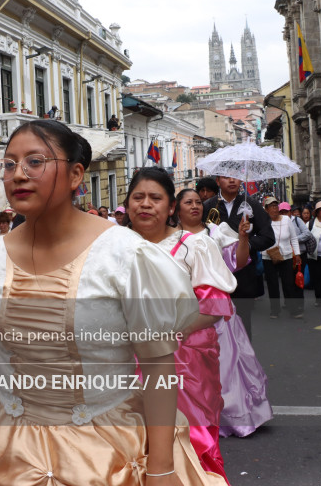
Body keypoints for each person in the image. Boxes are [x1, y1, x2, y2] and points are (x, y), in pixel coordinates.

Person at [0, 120, 225, 486]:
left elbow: (159, 370)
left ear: (76, 174)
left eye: (35, 162)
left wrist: (161, 469)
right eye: (9, 164)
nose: (18, 175)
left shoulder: (126, 256)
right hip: (10, 452)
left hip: (107, 453)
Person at [127, 172, 235, 482]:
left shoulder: (193, 246)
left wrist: (173, 331)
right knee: (133, 443)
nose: (145, 204)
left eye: (155, 198)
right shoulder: (115, 247)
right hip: (125, 359)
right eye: (138, 197)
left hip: (184, 361)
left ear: (171, 207)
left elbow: (215, 306)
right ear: (128, 203)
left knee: (190, 438)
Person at [173, 188, 272, 439]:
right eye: (188, 202)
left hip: (216, 313)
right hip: (184, 312)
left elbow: (238, 263)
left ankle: (230, 418)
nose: (195, 206)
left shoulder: (216, 232)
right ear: (177, 208)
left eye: (197, 201)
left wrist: (242, 238)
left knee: (225, 367)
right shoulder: (170, 238)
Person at [203, 176, 275, 340]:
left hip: (243, 277)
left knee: (242, 327)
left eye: (235, 177)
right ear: (218, 181)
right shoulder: (208, 206)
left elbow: (268, 236)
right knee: (215, 329)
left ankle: (244, 364)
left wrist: (245, 244)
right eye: (226, 177)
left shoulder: (251, 205)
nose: (232, 181)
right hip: (214, 277)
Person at [261, 196, 302, 319]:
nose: (274, 208)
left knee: (288, 283)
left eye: (275, 205)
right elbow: (260, 238)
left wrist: (298, 254)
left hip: (286, 255)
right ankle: (275, 310)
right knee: (272, 284)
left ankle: (292, 309)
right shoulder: (263, 221)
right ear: (266, 209)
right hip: (268, 256)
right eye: (271, 206)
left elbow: (293, 238)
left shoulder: (286, 219)